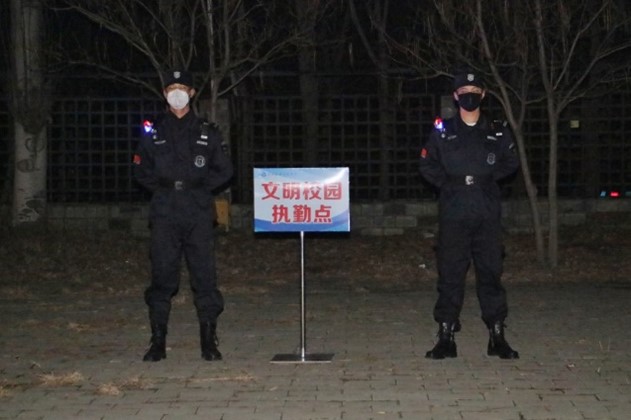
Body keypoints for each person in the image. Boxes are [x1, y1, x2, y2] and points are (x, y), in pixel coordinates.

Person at [133, 69, 233, 362]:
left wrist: (199, 188)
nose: (176, 93)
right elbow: (141, 170)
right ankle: (158, 341)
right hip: (165, 210)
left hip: (197, 210)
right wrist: (164, 190)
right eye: (171, 88)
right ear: (165, 93)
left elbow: (225, 169)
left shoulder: (207, 132)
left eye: (182, 87)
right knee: (163, 275)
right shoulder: (153, 132)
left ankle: (208, 340)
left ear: (191, 93)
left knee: (204, 275)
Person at [419, 70, 520, 360]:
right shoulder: (443, 130)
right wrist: (449, 185)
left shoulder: (496, 130)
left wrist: (485, 180)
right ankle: (446, 336)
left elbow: (510, 162)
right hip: (454, 208)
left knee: (490, 271)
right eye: (464, 91)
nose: (470, 96)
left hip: (486, 207)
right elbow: (426, 165)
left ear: (483, 95)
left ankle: (497, 335)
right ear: (456, 96)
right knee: (451, 272)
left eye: (475, 91)